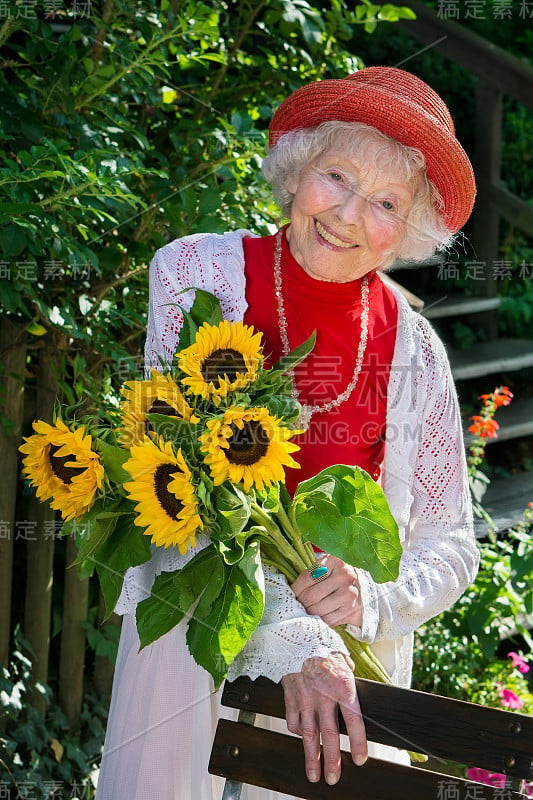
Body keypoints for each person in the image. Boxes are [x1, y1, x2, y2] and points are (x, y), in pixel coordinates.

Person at [96, 66, 480, 800]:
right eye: (336, 175)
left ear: (408, 229)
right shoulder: (194, 274)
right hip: (194, 636)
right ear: (296, 169)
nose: (347, 214)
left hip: (334, 686)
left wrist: (368, 602)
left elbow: (449, 542)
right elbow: (190, 485)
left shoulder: (415, 351)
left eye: (386, 202)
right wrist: (295, 637)